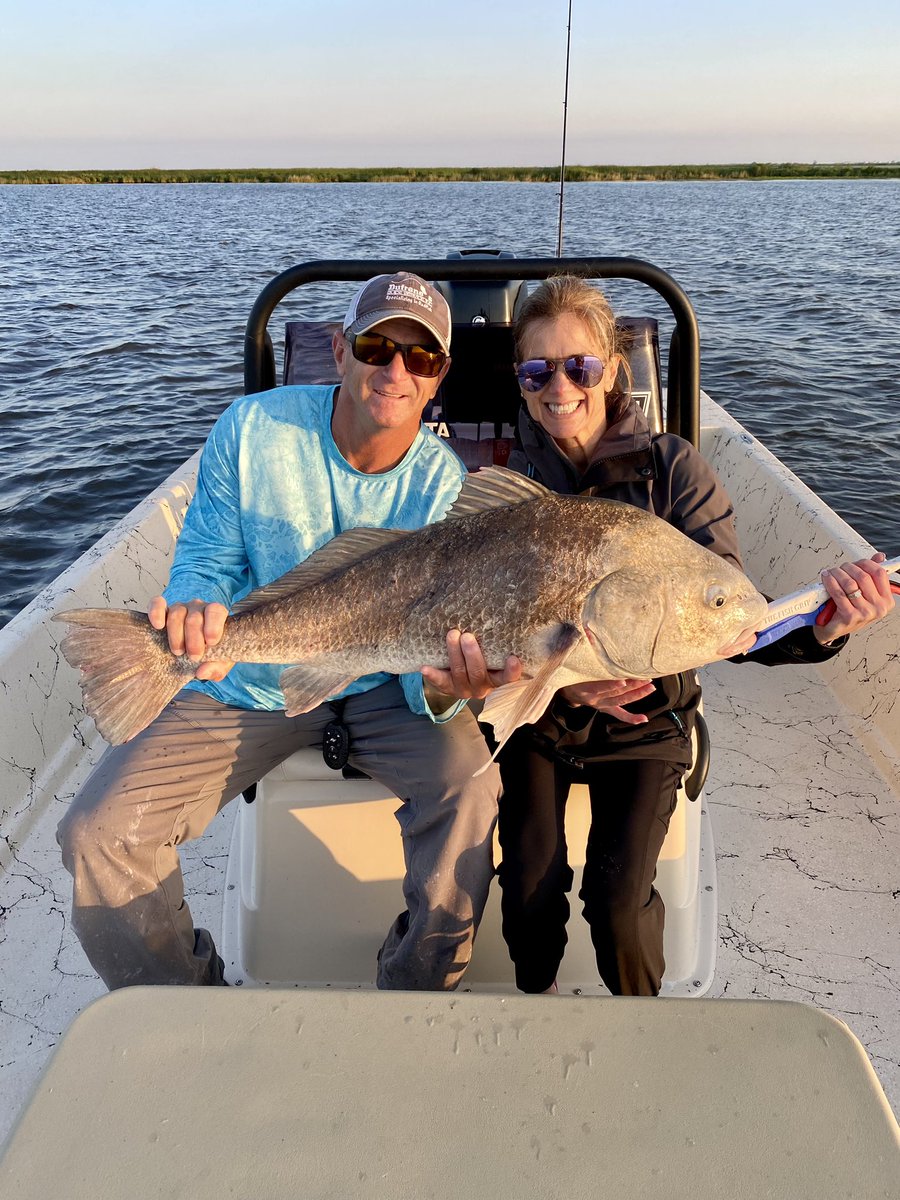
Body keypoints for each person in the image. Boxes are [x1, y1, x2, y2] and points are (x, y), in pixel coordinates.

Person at [57, 271, 520, 992]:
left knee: (471, 790)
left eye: (421, 357)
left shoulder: (444, 487)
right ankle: (187, 1001)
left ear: (439, 380)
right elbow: (206, 559)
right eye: (376, 345)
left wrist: (442, 691)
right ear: (340, 350)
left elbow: (422, 647)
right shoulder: (252, 428)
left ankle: (413, 992)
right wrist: (194, 618)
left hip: (381, 682)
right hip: (243, 680)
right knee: (97, 833)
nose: (395, 370)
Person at [494, 273, 896, 997]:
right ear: (520, 380)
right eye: (538, 369)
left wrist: (829, 625)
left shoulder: (674, 472)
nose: (561, 387)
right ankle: (538, 1002)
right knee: (526, 886)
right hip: (541, 718)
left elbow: (734, 618)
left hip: (648, 722)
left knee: (617, 904)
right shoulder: (506, 482)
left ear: (613, 370)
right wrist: (571, 685)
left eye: (580, 365)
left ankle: (644, 1024)